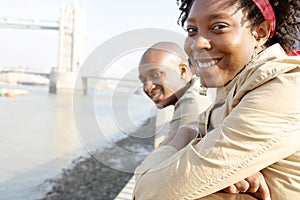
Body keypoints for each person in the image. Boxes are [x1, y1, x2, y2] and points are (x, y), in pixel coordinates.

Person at [134, 0, 300, 200]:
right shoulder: (232, 90)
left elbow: (150, 191)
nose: (198, 43)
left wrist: (183, 139)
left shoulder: (283, 88)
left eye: (218, 27)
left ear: (261, 32)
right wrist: (190, 136)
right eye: (192, 30)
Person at [138, 42, 212, 145]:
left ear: (182, 70)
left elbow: (169, 157)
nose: (147, 87)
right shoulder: (197, 90)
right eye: (143, 80)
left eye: (156, 75)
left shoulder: (191, 107)